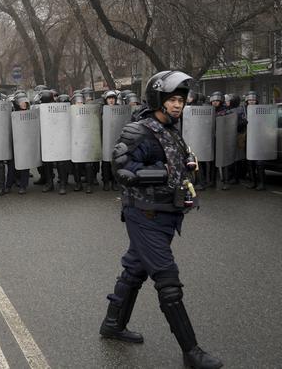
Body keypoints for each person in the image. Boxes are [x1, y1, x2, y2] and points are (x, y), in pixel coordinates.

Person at [99, 71, 222, 369]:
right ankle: (191, 351)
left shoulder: (170, 130)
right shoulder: (138, 130)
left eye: (181, 99)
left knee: (134, 270)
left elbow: (174, 162)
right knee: (168, 281)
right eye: (172, 99)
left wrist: (187, 165)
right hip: (144, 214)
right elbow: (123, 169)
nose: (178, 105)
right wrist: (167, 173)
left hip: (166, 214)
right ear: (158, 99)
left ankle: (112, 325)